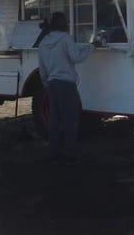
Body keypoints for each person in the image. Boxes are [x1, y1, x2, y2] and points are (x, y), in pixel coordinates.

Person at [38, 12, 93, 164]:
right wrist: (89, 49)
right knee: (70, 120)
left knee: (54, 120)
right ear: (63, 24)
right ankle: (70, 153)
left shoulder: (42, 43)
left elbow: (42, 69)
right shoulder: (66, 39)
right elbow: (75, 58)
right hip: (67, 85)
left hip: (52, 85)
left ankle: (53, 151)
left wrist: (46, 83)